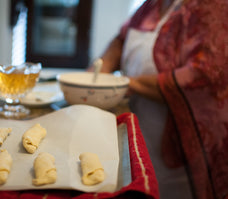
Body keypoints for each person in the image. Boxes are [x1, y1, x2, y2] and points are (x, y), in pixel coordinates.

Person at [90, 0, 228, 198]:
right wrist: (99, 71)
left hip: (184, 146)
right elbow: (121, 39)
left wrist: (127, 84)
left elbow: (204, 76)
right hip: (142, 126)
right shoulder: (152, 5)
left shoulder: (214, 6)